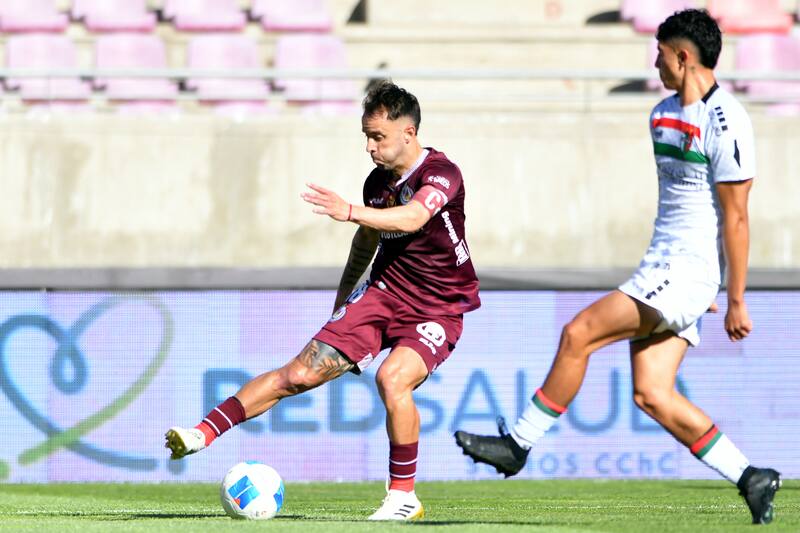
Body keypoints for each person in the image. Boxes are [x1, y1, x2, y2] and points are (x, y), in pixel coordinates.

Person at [454, 9, 781, 525]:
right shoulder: (660, 115)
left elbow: (737, 216)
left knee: (578, 333)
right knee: (652, 394)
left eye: (660, 53)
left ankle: (517, 445)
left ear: (683, 55)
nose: (654, 62)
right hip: (669, 268)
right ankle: (750, 476)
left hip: (684, 271)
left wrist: (731, 294)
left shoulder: (728, 121)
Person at [165, 80, 481, 521]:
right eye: (366, 137)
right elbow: (367, 240)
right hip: (383, 295)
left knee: (393, 378)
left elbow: (413, 217)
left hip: (438, 306)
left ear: (408, 133)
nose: (370, 148)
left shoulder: (442, 174)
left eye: (378, 137)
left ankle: (403, 497)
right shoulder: (377, 183)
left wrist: (349, 209)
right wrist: (343, 302)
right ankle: (201, 433)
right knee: (295, 374)